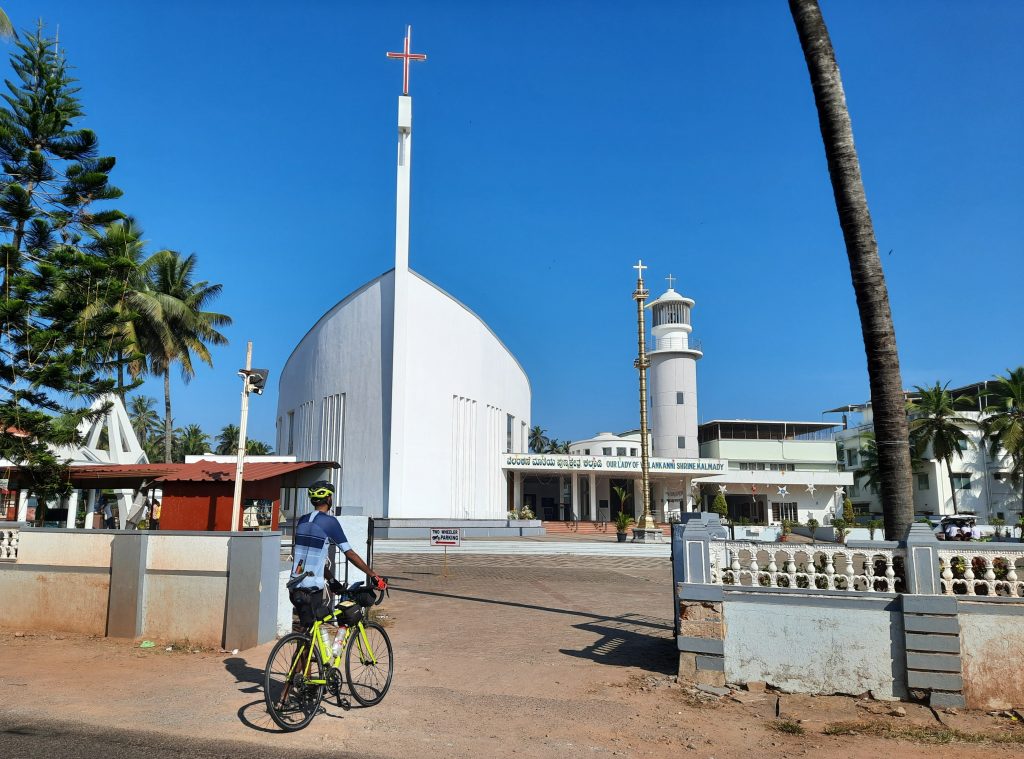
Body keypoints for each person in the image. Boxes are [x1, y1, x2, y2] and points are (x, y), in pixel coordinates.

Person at [289, 480, 383, 630]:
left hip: (295, 587)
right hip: (312, 589)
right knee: (315, 629)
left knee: (308, 631)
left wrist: (331, 580)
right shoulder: (329, 522)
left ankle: (305, 652)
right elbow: (350, 553)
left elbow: (311, 560)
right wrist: (373, 575)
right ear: (328, 499)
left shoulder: (302, 520)